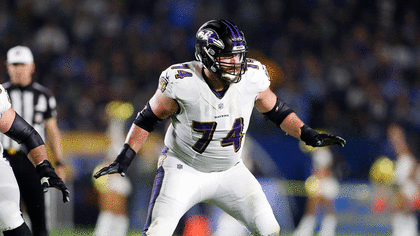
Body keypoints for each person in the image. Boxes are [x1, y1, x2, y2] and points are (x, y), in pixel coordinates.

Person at [94, 19, 346, 235]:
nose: (237, 62)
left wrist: (308, 134)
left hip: (230, 170)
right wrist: (125, 157)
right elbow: (147, 118)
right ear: (207, 55)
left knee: (269, 228)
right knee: (158, 231)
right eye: (229, 56)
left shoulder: (251, 76)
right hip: (184, 168)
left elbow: (278, 111)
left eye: (239, 54)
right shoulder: (182, 81)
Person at [1, 45, 66, 236]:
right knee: (8, 215)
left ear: (31, 67)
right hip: (4, 160)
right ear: (7, 67)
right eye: (14, 64)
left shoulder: (43, 95)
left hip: (31, 160)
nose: (18, 68)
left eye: (22, 64)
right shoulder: (2, 93)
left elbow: (52, 130)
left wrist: (59, 161)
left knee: (38, 215)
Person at [92, 101, 133, 236]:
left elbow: (115, 132)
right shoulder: (114, 142)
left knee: (115, 210)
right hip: (112, 176)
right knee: (111, 210)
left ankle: (112, 233)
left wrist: (117, 118)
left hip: (115, 176)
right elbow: (114, 132)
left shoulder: (116, 140)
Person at [293, 147, 340, 236]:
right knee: (315, 206)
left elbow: (325, 170)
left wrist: (317, 180)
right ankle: (312, 230)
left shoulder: (322, 152)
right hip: (322, 182)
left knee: (321, 206)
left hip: (326, 183)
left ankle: (325, 231)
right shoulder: (320, 152)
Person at [387, 123, 419, 236]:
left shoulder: (408, 159)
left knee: (403, 207)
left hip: (409, 188)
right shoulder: (400, 159)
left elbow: (414, 169)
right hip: (403, 187)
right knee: (397, 209)